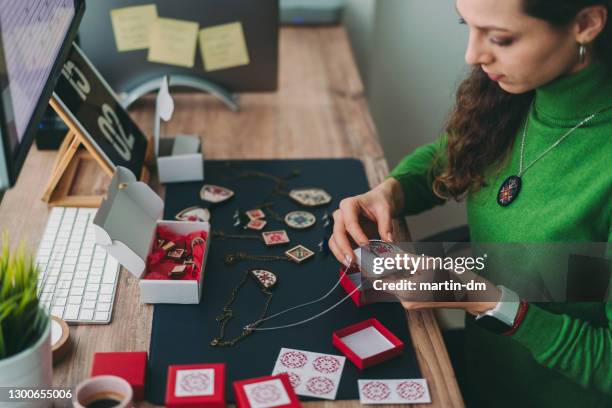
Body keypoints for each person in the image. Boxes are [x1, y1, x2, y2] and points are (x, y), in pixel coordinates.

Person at [329, 0, 612, 406]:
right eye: (468, 26)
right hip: (477, 380)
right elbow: (455, 154)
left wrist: (483, 300)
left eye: (499, 38)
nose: (472, 55)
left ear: (586, 23)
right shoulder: (517, 90)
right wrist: (390, 190)